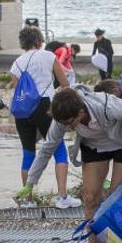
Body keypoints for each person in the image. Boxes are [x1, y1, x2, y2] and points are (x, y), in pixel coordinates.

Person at [16, 87, 122, 243]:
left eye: (70, 123)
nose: (68, 127)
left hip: (121, 144)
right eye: (63, 124)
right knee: (90, 198)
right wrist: (30, 182)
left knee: (117, 201)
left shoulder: (107, 107)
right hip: (93, 148)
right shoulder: (62, 118)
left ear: (81, 112)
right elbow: (47, 148)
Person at [9, 26, 80, 209]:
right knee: (58, 150)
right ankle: (62, 197)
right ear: (40, 41)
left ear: (23, 43)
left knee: (28, 152)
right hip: (44, 106)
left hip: (22, 111)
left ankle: (28, 199)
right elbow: (64, 84)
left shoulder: (17, 62)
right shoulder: (49, 56)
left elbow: (17, 88)